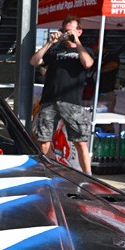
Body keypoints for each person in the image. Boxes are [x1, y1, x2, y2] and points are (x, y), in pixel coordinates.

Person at [29, 15, 95, 174]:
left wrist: (77, 42)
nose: (67, 34)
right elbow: (34, 62)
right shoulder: (55, 50)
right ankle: (49, 172)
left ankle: (88, 175)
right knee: (43, 142)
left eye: (71, 31)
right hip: (49, 101)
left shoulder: (85, 51)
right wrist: (50, 43)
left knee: (80, 142)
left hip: (72, 102)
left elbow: (88, 63)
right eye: (65, 31)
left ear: (79, 31)